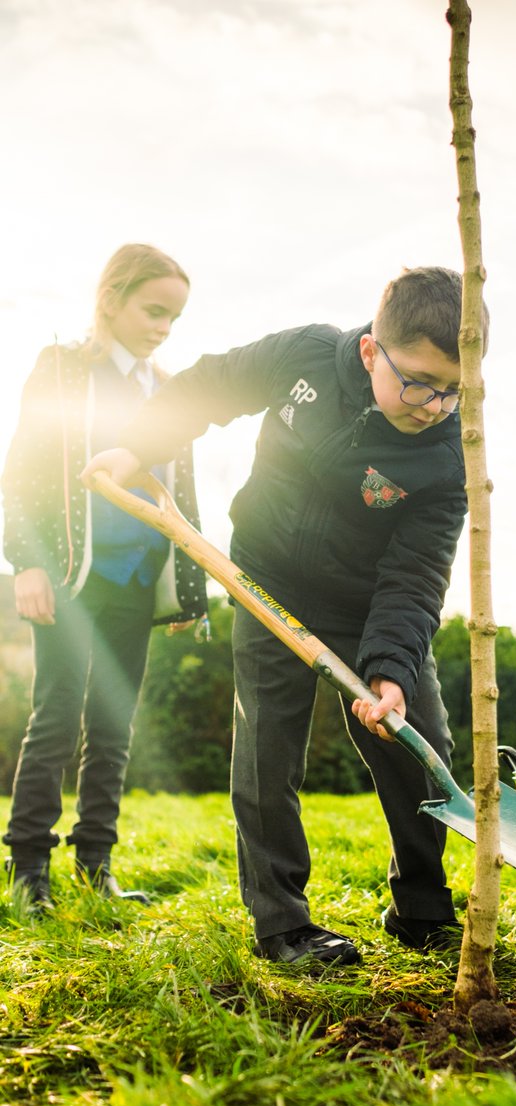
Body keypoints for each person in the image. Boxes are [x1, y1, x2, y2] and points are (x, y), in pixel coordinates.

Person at [83, 265, 489, 965]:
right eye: (418, 382)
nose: (434, 405)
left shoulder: (448, 458)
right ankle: (283, 925)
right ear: (371, 352)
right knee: (268, 748)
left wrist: (391, 669)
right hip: (267, 581)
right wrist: (137, 444)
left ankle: (422, 908)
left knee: (418, 749)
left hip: (371, 608)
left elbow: (417, 576)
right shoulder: (306, 356)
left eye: (454, 390)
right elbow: (211, 385)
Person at [2, 243, 208, 911]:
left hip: (139, 575)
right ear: (112, 299)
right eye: (153, 311)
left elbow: (184, 488)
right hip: (69, 573)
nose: (162, 328)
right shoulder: (61, 368)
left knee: (115, 722)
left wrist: (192, 585)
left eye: (174, 318)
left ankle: (97, 864)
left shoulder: (167, 388)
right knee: (57, 713)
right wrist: (26, 562)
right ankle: (29, 868)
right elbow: (24, 470)